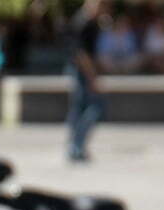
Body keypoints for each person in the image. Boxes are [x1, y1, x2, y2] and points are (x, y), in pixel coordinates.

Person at [66, 0, 104, 161]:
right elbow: (81, 54)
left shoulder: (90, 22)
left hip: (81, 71)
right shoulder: (83, 23)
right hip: (81, 71)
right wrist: (92, 77)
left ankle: (75, 147)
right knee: (94, 108)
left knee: (78, 109)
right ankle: (76, 146)